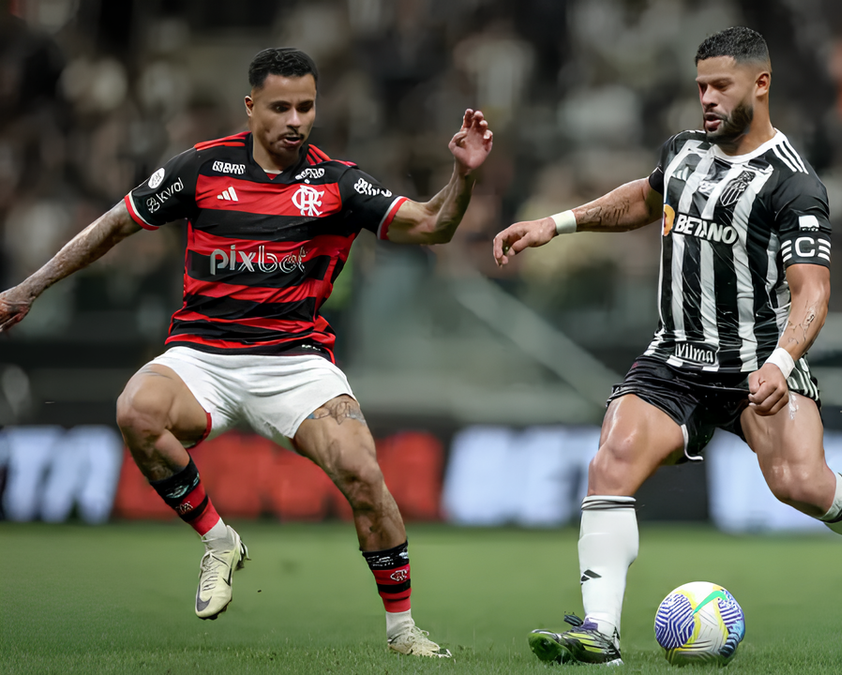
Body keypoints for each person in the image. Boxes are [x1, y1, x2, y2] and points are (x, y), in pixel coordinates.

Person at [493, 27, 842, 666]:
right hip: (675, 358)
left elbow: (813, 291)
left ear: (761, 84)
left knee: (801, 484)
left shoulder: (794, 184)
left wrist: (782, 362)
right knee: (610, 462)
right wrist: (555, 224)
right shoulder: (683, 150)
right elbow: (645, 199)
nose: (706, 98)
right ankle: (601, 633)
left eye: (720, 86)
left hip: (759, 364)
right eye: (700, 85)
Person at [0, 48, 493, 658]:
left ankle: (402, 632)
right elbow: (114, 225)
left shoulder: (337, 183)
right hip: (201, 356)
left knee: (366, 476)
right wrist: (28, 288)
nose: (295, 120)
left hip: (296, 363)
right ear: (251, 107)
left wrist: (464, 176)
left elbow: (433, 226)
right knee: (136, 411)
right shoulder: (201, 169)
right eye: (281, 107)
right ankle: (218, 540)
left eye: (306, 107)